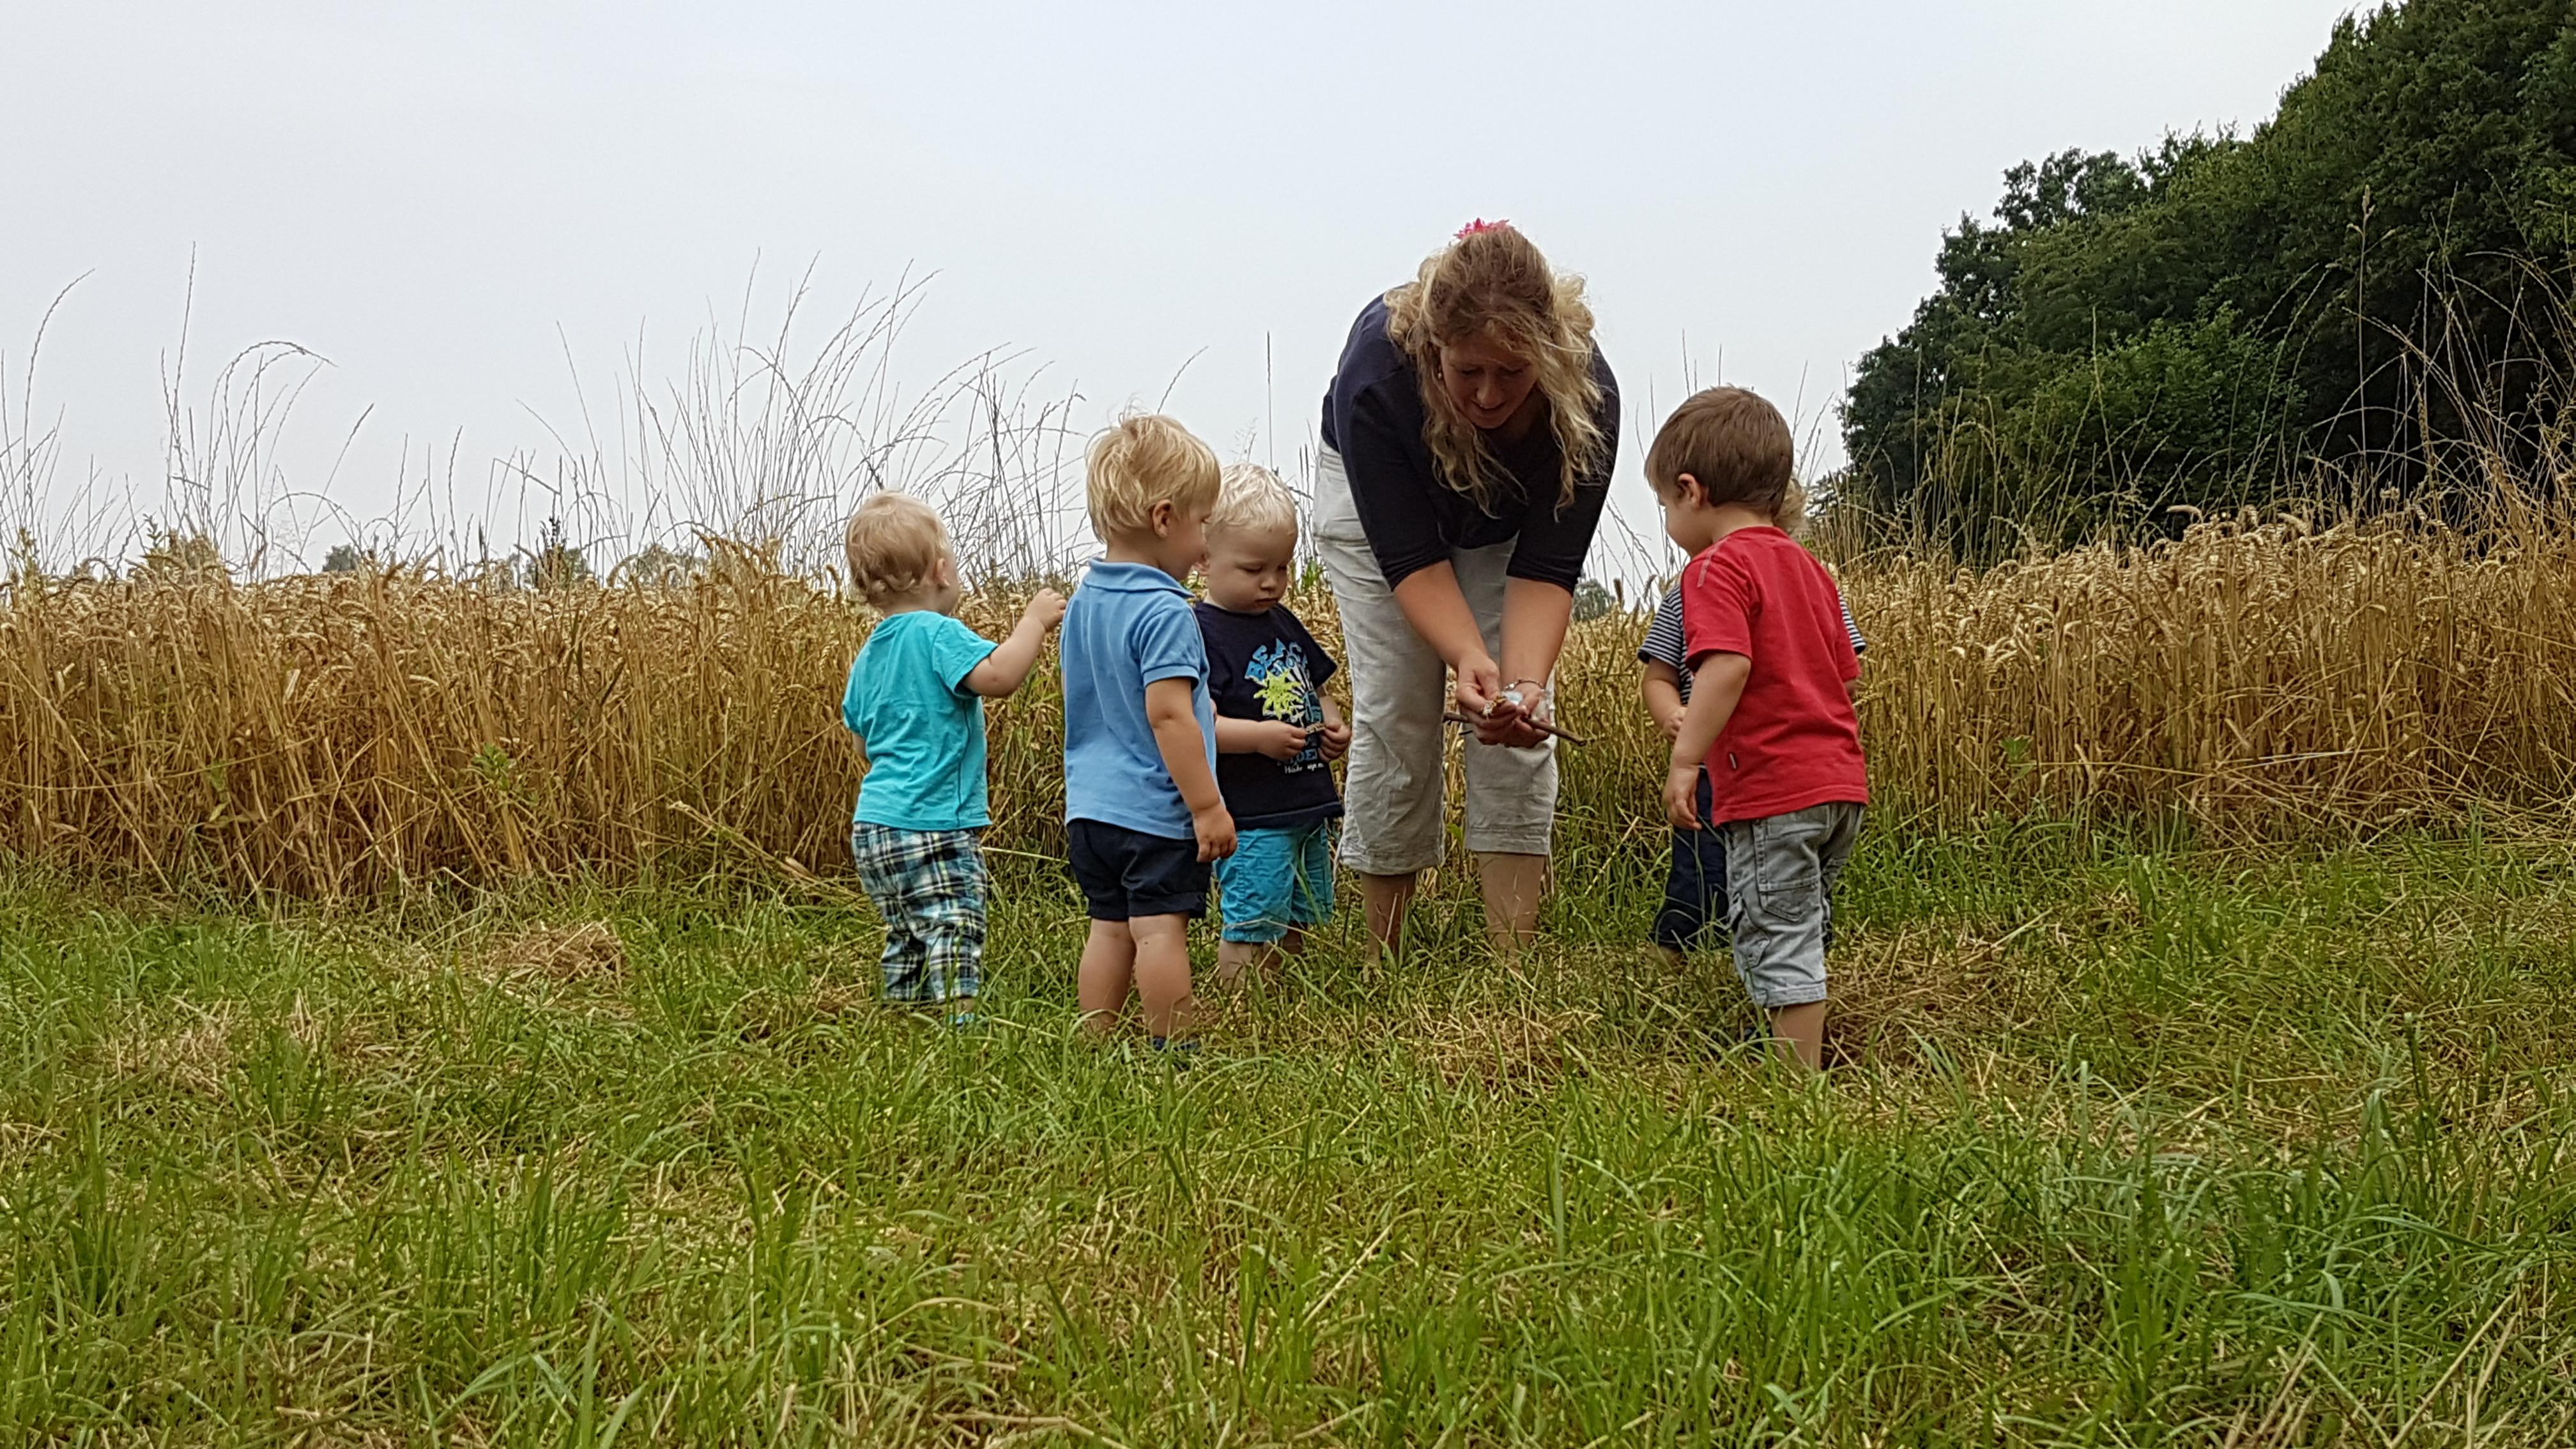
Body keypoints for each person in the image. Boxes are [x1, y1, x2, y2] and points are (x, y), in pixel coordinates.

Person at [1313, 220, 1618, 956]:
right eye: (1468, 371)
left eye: (1512, 374)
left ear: (1545, 355)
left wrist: (1515, 680)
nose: (1487, 395)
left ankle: (1513, 960)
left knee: (1521, 716)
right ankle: (1381, 952)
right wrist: (1462, 657)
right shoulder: (1377, 381)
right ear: (1433, 350)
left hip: (1503, 521)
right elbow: (1413, 560)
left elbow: (1547, 571)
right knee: (1397, 706)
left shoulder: (1587, 402)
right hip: (1378, 520)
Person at [1652, 388, 1867, 1071]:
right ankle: (1792, 1036)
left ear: (1692, 491)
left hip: (1774, 791)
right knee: (1804, 920)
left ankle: (1793, 1085)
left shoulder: (1713, 570)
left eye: (1663, 502)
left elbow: (1727, 665)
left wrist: (1688, 758)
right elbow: (1847, 668)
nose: (1667, 517)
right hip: (1839, 784)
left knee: (1777, 931)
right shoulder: (1810, 569)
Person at [839, 493, 1066, 1025]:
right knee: (955, 921)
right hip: (932, 822)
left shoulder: (870, 654)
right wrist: (1033, 623)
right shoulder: (937, 634)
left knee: (908, 930)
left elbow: (862, 744)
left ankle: (902, 1016)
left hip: (874, 825)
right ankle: (959, 1028)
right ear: (941, 570)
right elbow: (999, 678)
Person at [1060, 415, 1232, 1054]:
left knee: (1108, 929)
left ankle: (1095, 1042)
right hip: (1153, 813)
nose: (1207, 544)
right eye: (1204, 523)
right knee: (1161, 931)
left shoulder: (1085, 602)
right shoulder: (1165, 613)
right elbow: (1169, 714)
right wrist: (1206, 806)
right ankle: (1175, 1049)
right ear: (1165, 519)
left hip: (1091, 809)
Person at [1639, 565, 1867, 964]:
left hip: (1789, 775)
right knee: (1701, 873)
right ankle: (1673, 956)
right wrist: (1671, 714)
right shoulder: (1686, 597)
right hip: (1714, 775)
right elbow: (1658, 677)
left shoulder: (1814, 589)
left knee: (1795, 882)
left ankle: (1792, 968)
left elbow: (1844, 675)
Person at [1195, 464, 1353, 987]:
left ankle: (1287, 996)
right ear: (1205, 559)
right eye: (1253, 568)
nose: (1271, 582)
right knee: (1254, 917)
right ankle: (1243, 1001)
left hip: (1305, 802)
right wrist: (1259, 739)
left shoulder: (1283, 620)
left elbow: (1319, 685)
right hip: (1252, 813)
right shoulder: (1201, 632)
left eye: (1282, 568)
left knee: (1299, 912)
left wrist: (1333, 724)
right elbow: (1199, 726)